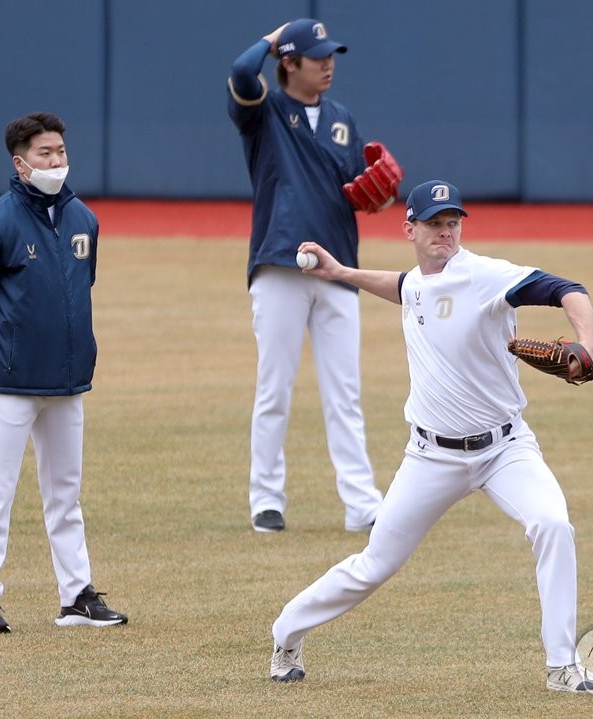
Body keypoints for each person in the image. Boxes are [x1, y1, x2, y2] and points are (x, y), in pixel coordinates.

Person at [269, 180, 593, 694]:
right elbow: (405, 287)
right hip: (430, 457)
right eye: (434, 223)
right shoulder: (420, 283)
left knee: (553, 525)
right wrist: (340, 272)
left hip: (505, 448)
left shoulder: (486, 275)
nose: (445, 232)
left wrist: (587, 343)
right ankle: (286, 634)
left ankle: (562, 666)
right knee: (373, 565)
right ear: (410, 229)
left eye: (452, 223)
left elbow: (568, 288)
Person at [0, 112, 128, 634]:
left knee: (65, 492)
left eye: (61, 151)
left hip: (67, 379)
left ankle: (77, 595)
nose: (56, 161)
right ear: (20, 163)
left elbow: (81, 288)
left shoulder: (83, 220)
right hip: (9, 382)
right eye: (46, 153)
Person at [227, 18, 383, 533]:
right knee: (275, 389)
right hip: (280, 265)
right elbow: (241, 71)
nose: (328, 64)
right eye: (316, 56)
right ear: (289, 63)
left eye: (331, 55)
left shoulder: (342, 119)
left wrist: (373, 193)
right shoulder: (264, 112)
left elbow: (356, 190)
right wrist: (273, 39)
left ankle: (362, 504)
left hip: (339, 267)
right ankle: (265, 500)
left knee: (346, 393)